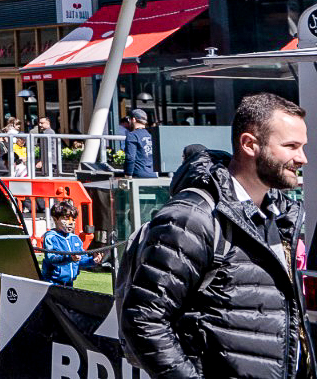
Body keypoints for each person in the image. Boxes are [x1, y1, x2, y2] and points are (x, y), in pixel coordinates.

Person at [119, 93, 309, 379]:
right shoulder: (193, 217)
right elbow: (144, 319)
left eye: (302, 146)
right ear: (249, 144)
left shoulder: (281, 215)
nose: (302, 158)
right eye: (291, 146)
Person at [41, 200, 86, 287]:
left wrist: (93, 260)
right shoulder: (50, 237)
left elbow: (81, 259)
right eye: (66, 218)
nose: (71, 223)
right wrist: (69, 258)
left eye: (73, 219)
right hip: (52, 283)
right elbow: (52, 259)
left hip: (69, 283)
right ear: (55, 219)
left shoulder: (75, 239)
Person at [124, 109, 156, 178]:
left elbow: (130, 157)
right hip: (153, 174)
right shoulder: (150, 135)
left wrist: (128, 174)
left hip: (139, 174)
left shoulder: (132, 135)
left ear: (134, 119)